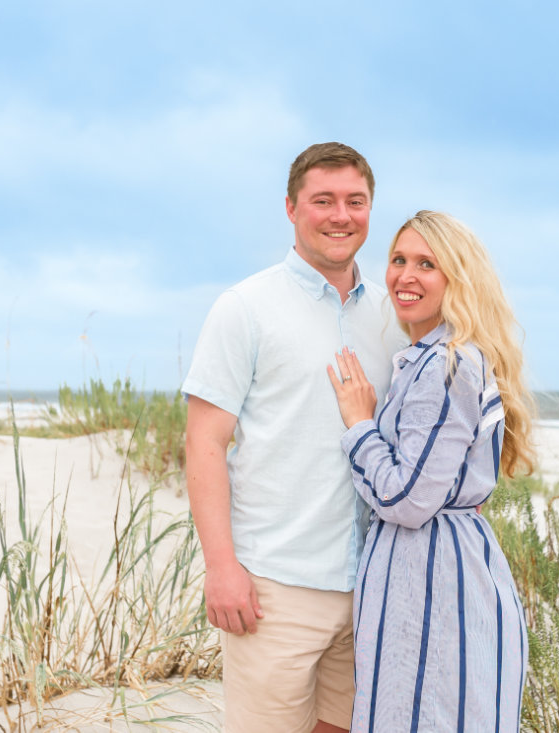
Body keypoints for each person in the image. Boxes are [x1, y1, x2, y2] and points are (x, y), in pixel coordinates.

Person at [182, 142, 406, 733]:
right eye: (323, 200)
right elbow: (204, 443)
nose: (340, 215)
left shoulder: (392, 317)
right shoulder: (245, 308)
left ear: (370, 208)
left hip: (373, 584)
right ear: (291, 208)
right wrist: (220, 567)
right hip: (274, 586)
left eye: (355, 201)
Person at [328, 210, 535, 732]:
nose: (405, 276)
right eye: (398, 260)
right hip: (432, 568)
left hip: (430, 578)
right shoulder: (426, 360)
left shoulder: (447, 364)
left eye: (427, 264)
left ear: (457, 279)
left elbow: (409, 501)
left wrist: (358, 424)